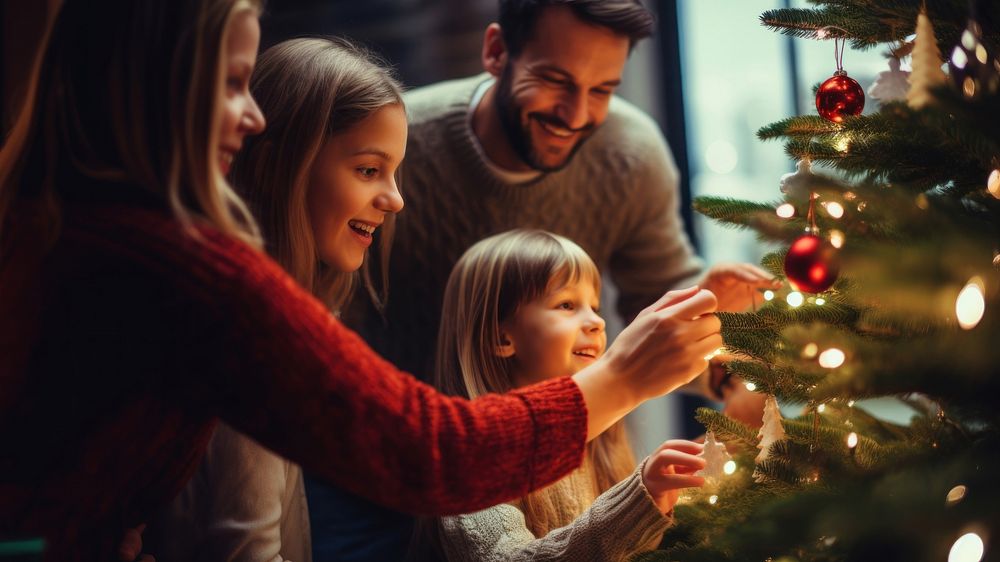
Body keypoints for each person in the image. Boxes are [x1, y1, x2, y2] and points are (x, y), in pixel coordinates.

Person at [0, 1, 723, 560]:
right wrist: (624, 377)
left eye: (602, 89)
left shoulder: (73, 225)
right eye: (229, 86)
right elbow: (428, 451)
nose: (251, 118)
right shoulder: (192, 275)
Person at [309, 0, 776, 557]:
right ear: (496, 52)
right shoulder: (398, 151)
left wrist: (729, 359)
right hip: (383, 477)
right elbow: (327, 326)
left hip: (564, 442)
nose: (577, 114)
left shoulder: (631, 156)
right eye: (555, 81)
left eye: (602, 90)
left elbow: (660, 297)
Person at [146, 36, 407, 561]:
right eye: (367, 170)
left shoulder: (288, 315)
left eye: (394, 172)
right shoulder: (250, 336)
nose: (394, 198)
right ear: (276, 167)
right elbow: (246, 550)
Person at [413, 230, 707, 561]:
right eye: (566, 304)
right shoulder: (471, 461)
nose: (596, 322)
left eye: (594, 307)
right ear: (501, 337)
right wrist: (636, 504)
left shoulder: (601, 442)